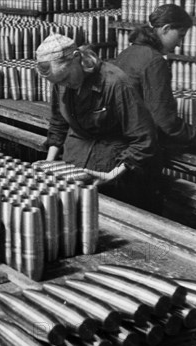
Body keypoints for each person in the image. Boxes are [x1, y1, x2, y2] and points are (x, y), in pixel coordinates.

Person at [37, 34, 161, 212]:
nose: (63, 84)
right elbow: (58, 122)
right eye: (58, 82)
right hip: (75, 162)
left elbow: (145, 138)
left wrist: (112, 175)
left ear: (77, 58)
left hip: (113, 169)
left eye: (65, 78)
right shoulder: (61, 81)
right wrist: (49, 163)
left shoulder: (115, 83)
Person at [115, 4, 196, 147]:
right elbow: (162, 119)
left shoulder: (127, 53)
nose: (179, 44)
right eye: (180, 36)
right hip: (136, 148)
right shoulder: (154, 61)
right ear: (166, 29)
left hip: (118, 139)